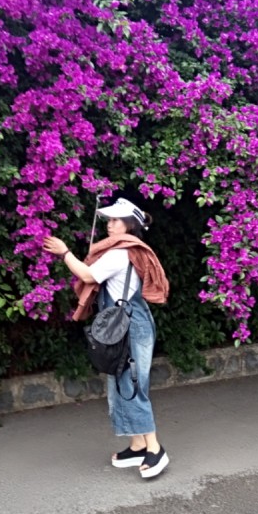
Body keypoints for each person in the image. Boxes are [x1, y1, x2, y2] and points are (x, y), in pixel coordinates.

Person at [43, 198, 171, 479]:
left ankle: (155, 449)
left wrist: (65, 253)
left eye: (115, 220)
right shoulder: (121, 251)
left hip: (131, 327)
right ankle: (137, 446)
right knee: (121, 384)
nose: (109, 225)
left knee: (132, 386)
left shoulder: (120, 253)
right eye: (109, 220)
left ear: (129, 225)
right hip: (125, 326)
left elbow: (87, 275)